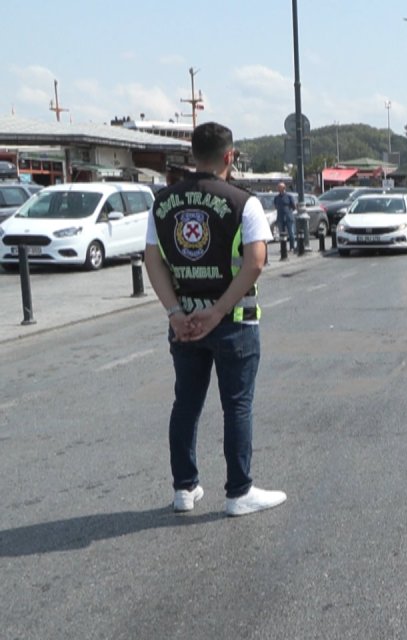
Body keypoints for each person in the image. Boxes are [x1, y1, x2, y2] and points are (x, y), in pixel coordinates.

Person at [144, 122, 288, 518]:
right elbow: (256, 261)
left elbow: (152, 260)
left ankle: (184, 488)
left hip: (185, 323)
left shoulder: (162, 201)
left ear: (192, 155)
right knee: (237, 406)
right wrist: (219, 309)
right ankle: (239, 491)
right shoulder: (245, 202)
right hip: (234, 321)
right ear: (230, 156)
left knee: (186, 404)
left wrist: (175, 312)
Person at [273, 181, 297, 256]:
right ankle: (283, 248)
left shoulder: (289, 196)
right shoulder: (276, 197)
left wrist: (288, 212)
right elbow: (275, 206)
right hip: (280, 217)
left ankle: (292, 247)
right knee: (282, 234)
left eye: (279, 187)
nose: (278, 189)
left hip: (288, 217)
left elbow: (294, 207)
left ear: (284, 188)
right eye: (278, 187)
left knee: (291, 233)